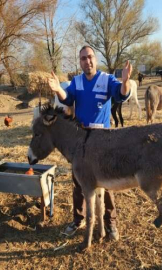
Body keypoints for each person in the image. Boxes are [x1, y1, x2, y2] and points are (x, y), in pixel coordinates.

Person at [48, 45, 132, 241]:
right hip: (82, 141)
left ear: (96, 58)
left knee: (106, 182)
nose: (88, 61)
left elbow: (121, 94)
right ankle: (79, 219)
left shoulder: (107, 79)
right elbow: (67, 100)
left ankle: (110, 222)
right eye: (84, 58)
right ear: (80, 62)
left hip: (103, 141)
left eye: (90, 57)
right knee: (78, 182)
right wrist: (58, 89)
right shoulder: (76, 82)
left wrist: (125, 82)